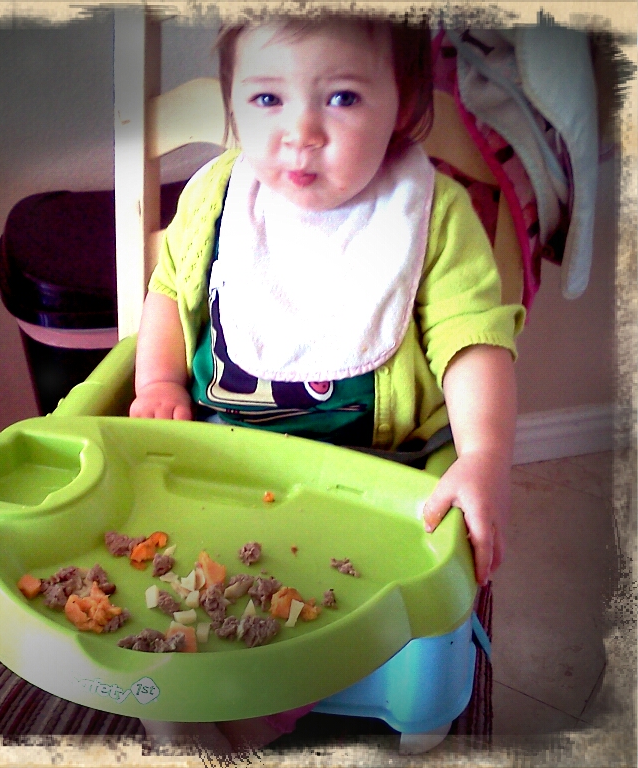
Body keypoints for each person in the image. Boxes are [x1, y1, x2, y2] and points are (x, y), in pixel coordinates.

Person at [130, 12, 525, 754]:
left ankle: (266, 704)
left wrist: (483, 454)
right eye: (267, 98)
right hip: (223, 466)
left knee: (345, 594)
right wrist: (158, 380)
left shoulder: (432, 215)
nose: (301, 132)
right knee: (168, 583)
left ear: (402, 103)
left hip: (368, 481)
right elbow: (170, 289)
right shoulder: (218, 196)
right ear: (233, 101)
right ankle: (187, 692)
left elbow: (473, 337)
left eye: (342, 98)